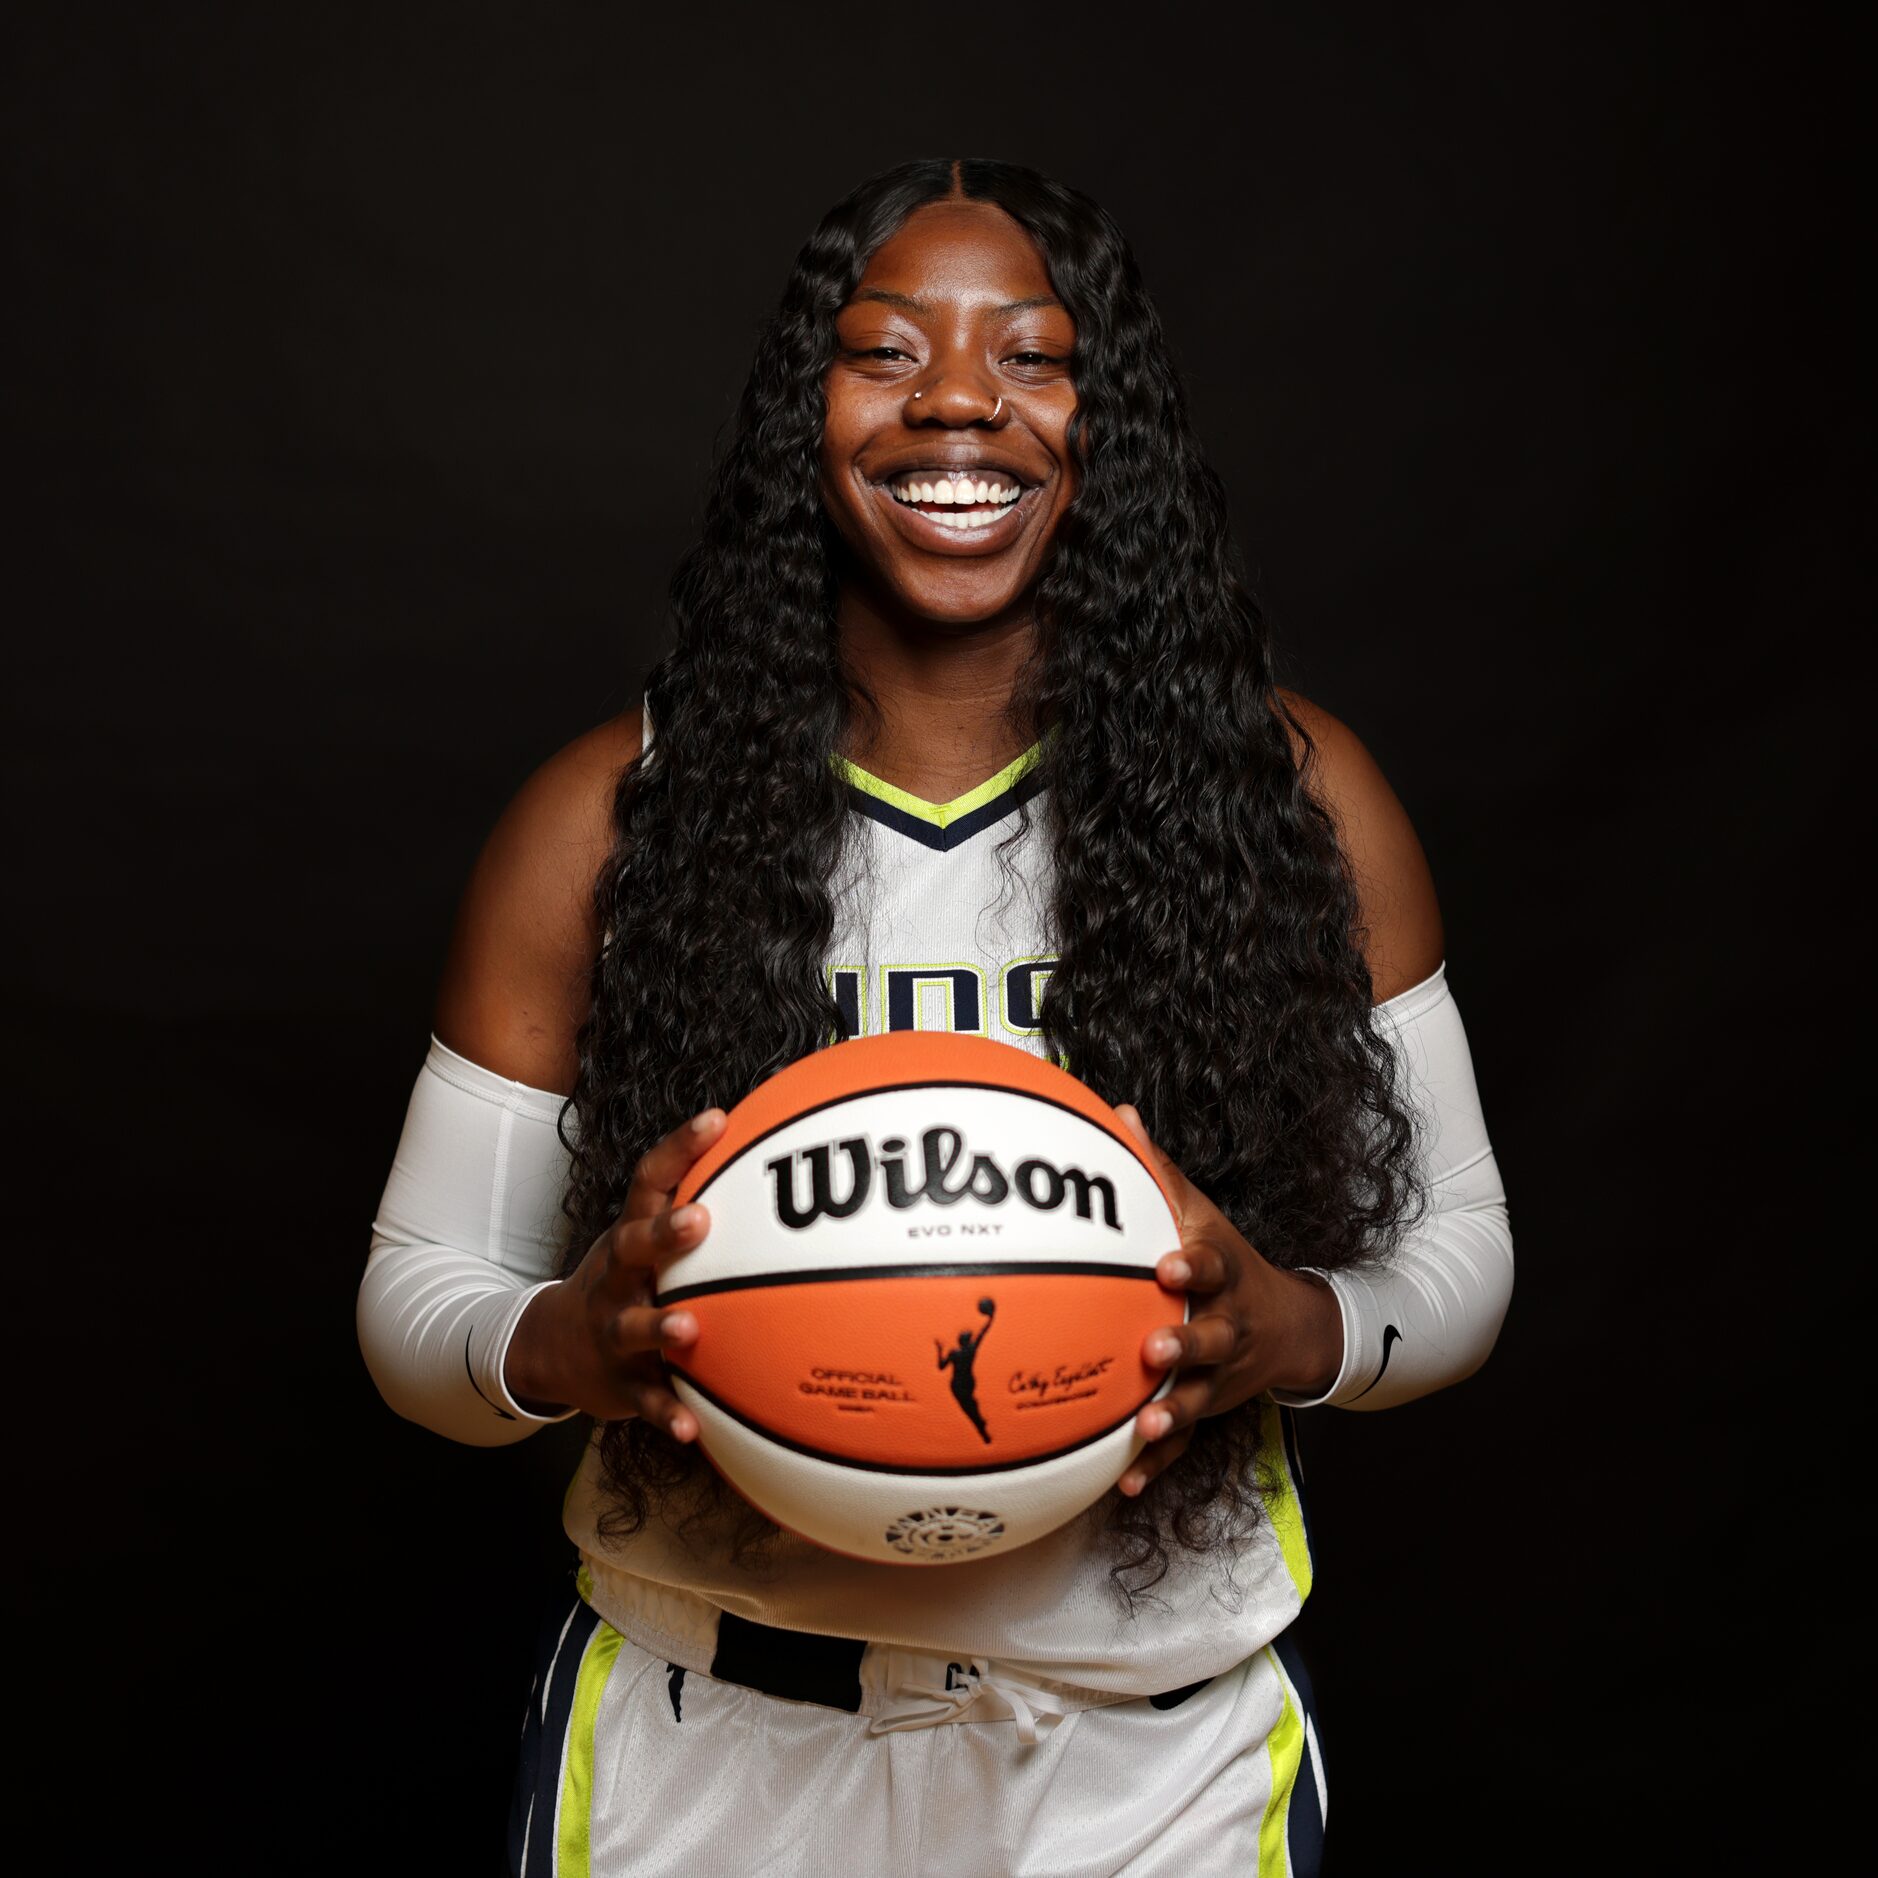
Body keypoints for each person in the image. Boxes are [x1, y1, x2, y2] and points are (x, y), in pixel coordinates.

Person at [359, 157, 1513, 1877]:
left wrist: (1291, 1329)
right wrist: (567, 1344)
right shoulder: (610, 818)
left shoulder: (1293, 801)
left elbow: (1462, 1254)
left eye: (1032, 357)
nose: (958, 399)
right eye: (885, 352)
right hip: (716, 1744)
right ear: (799, 418)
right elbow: (413, 1306)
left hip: (1151, 1756)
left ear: (1103, 419)